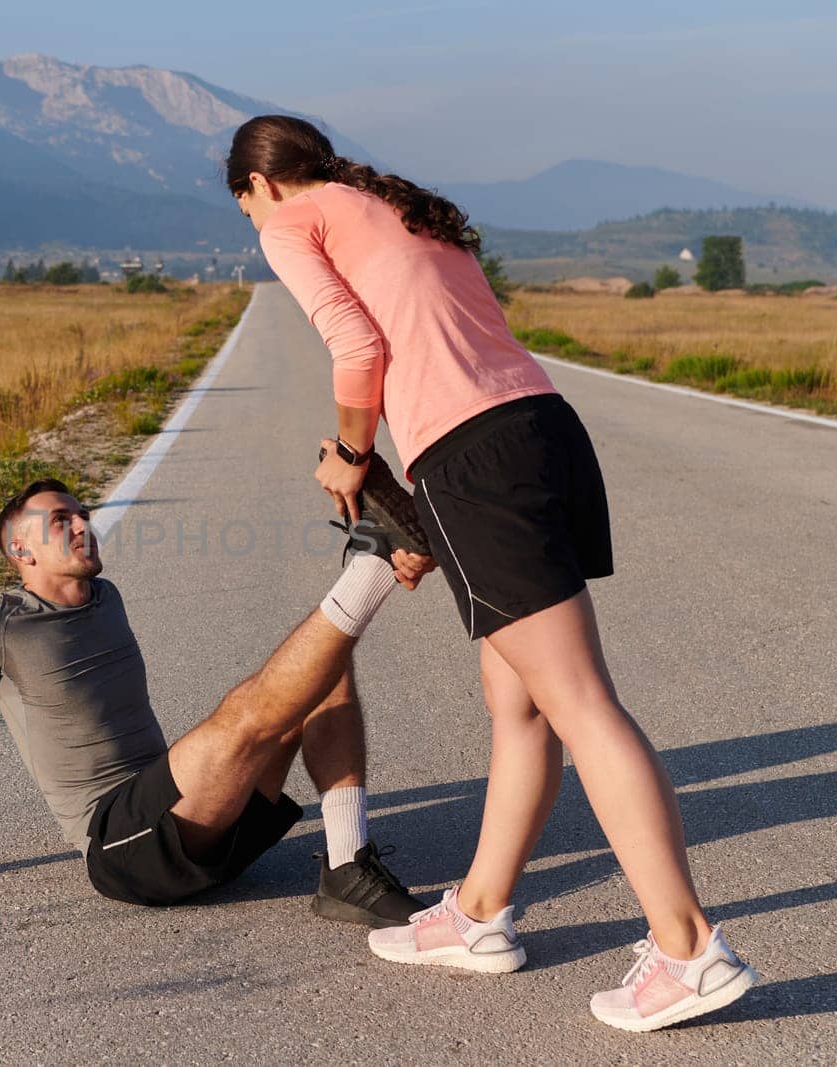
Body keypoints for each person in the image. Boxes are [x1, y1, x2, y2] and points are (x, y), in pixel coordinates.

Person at [225, 114, 757, 1032]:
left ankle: (689, 948)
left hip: (473, 456)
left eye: (244, 206)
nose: (253, 222)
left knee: (581, 701)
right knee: (520, 705)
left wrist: (352, 453)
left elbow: (359, 348)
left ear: (259, 185)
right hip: (539, 429)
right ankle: (477, 916)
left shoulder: (288, 219)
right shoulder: (394, 206)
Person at [0, 477, 436, 926]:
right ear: (19, 549)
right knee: (246, 714)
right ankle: (373, 562)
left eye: (83, 513)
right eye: (61, 520)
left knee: (318, 674)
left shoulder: (107, 597)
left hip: (198, 828)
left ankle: (346, 864)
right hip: (122, 847)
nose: (83, 524)